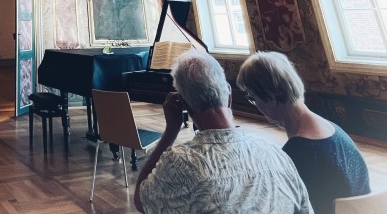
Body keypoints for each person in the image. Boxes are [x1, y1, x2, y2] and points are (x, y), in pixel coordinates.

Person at [134, 50, 312, 214]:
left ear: (184, 104)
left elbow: (141, 201)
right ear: (229, 94)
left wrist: (170, 131)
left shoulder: (179, 163)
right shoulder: (276, 154)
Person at [237, 52, 369, 214]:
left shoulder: (296, 154)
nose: (255, 105)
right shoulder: (335, 130)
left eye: (252, 98)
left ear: (270, 96)